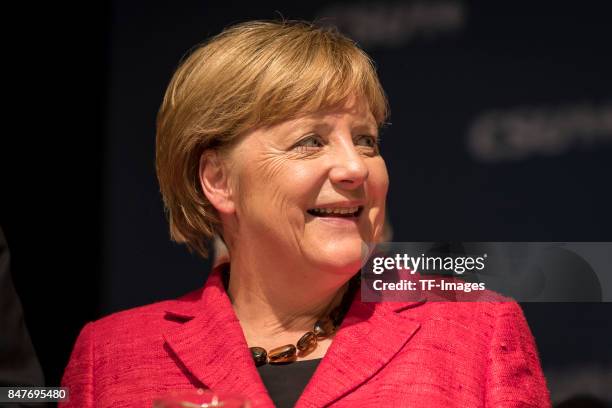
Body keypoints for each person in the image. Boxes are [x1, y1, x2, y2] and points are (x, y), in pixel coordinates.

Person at [61, 20, 550, 407]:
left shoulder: (476, 331)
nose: (356, 167)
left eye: (366, 141)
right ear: (218, 180)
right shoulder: (111, 355)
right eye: (310, 141)